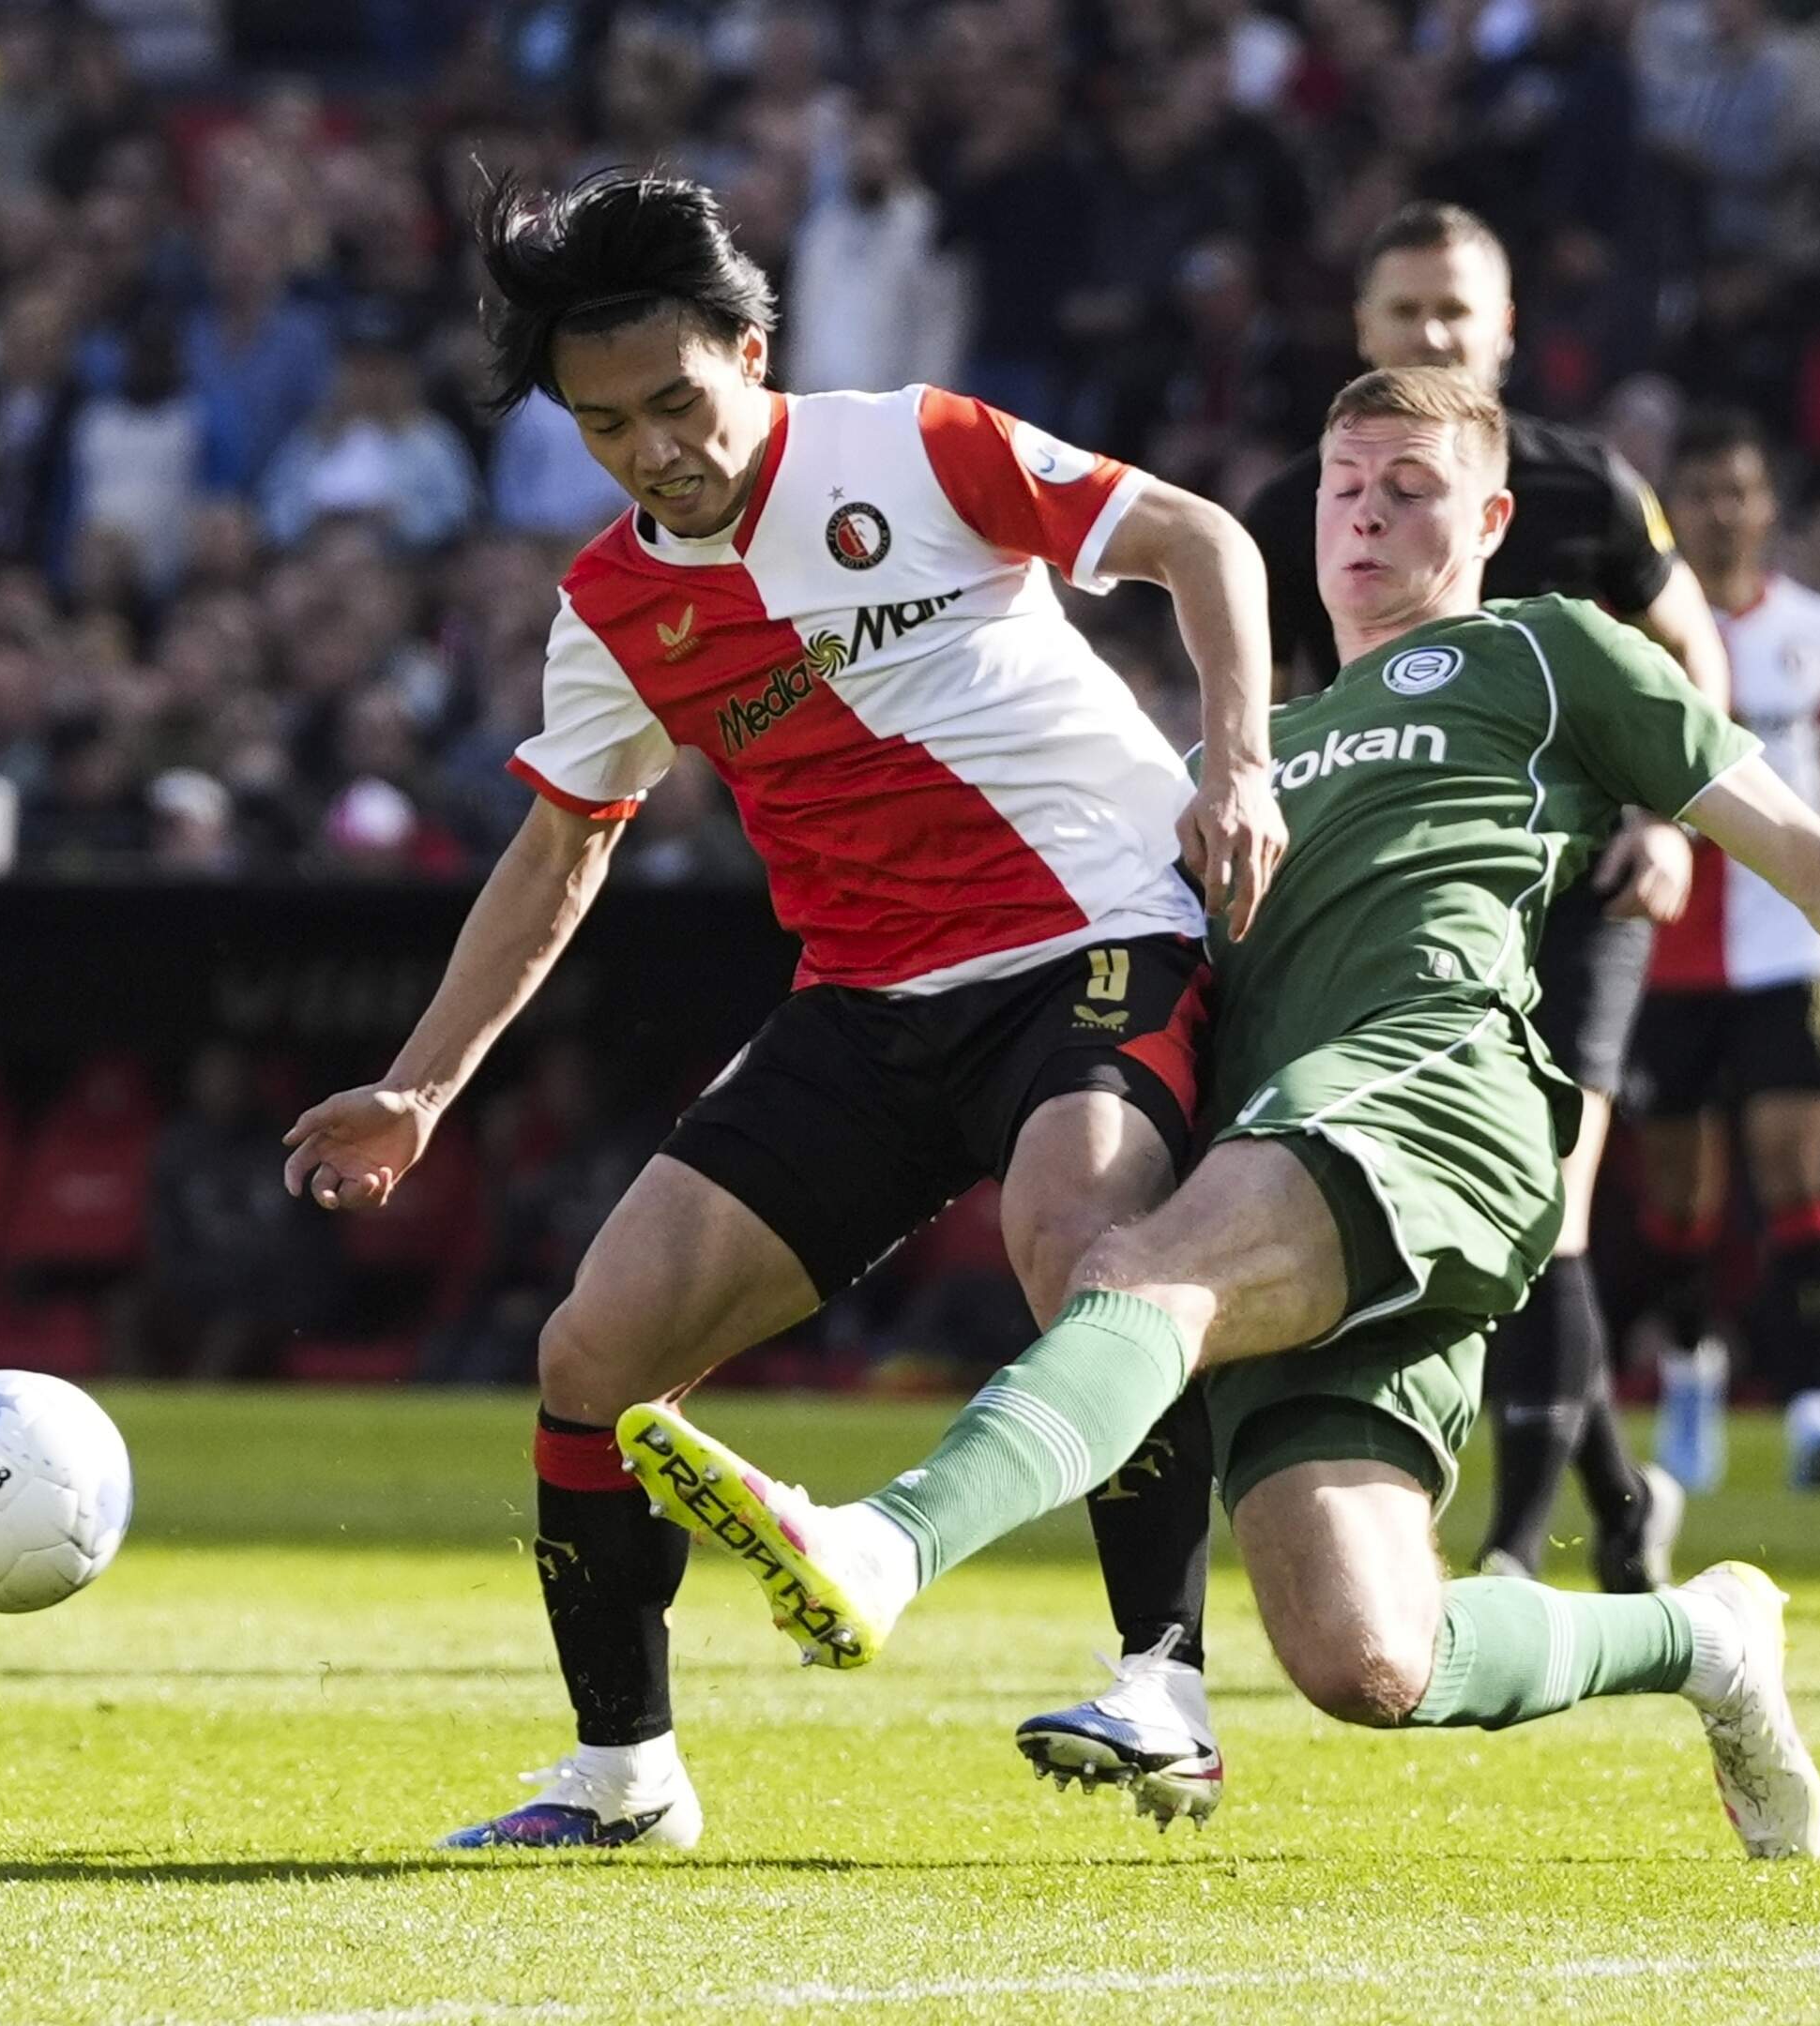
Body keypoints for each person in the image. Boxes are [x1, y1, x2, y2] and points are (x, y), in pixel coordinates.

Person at [613, 365, 1820, 1866]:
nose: (1363, 516)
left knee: (1144, 1279)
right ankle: (1704, 1634)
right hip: (1298, 1155)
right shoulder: (1248, 755)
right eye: (1344, 488)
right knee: (1369, 1658)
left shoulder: (1547, 653)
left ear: (1488, 519)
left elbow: (1806, 852)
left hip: (1434, 1097)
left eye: (1410, 490)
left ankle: (883, 1545)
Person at [280, 170, 1286, 1852]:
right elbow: (555, 857)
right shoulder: (613, 609)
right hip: (870, 1001)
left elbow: (1201, 538)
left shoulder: (912, 443)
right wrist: (421, 1090)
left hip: (1099, 930)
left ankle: (1160, 1694)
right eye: (606, 427)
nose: (656, 447)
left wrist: (1238, 762)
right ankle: (623, 1779)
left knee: (1082, 1244)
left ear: (754, 350)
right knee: (594, 1353)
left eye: (678, 400)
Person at [1026, 200, 1736, 1828]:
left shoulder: (1585, 483)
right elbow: (1267, 711)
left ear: (1502, 333)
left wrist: (1670, 824)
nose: (1427, 337)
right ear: (1362, 324)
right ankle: (1600, 1541)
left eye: (1454, 314)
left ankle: (1513, 1532)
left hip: (1584, 868)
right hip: (1352, 890)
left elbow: (1687, 651)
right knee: (1221, 1244)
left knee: (1547, 1212)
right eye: (1401, 312)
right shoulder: (1297, 502)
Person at [1630, 409, 1820, 1496]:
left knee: (1795, 1166)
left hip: (1791, 944)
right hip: (1667, 949)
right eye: (1703, 493)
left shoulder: (1819, 627)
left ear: (1767, 503)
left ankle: (1815, 1402)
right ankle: (1693, 1374)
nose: (1724, 512)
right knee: (1683, 1193)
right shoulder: (1636, 628)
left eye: (1741, 490)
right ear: (1672, 509)